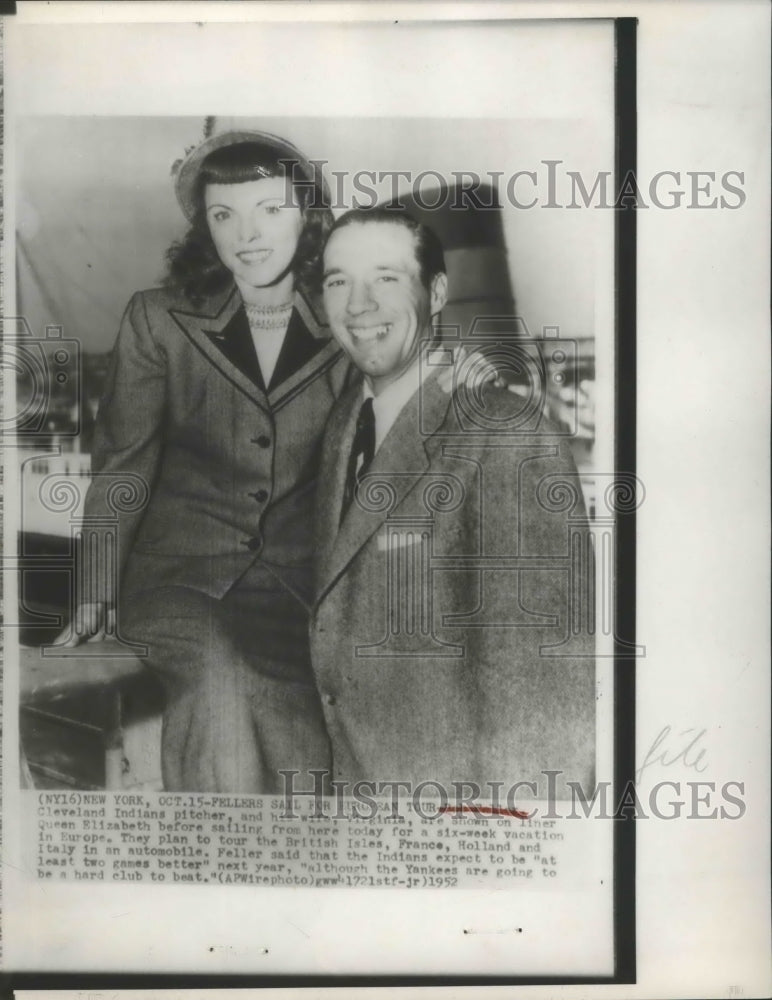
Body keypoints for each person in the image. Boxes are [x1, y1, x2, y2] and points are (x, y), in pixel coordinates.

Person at [61, 129, 351, 793]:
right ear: (204, 229)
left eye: (269, 210)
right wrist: (95, 590)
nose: (247, 234)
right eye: (224, 215)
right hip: (179, 582)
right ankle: (215, 872)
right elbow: (123, 467)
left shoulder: (345, 324)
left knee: (298, 716)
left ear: (307, 215)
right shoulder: (158, 321)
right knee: (220, 679)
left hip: (297, 592)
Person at [310, 207, 595, 799]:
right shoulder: (342, 423)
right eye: (338, 281)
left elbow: (544, 694)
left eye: (386, 277)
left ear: (436, 291)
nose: (358, 305)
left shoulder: (505, 432)